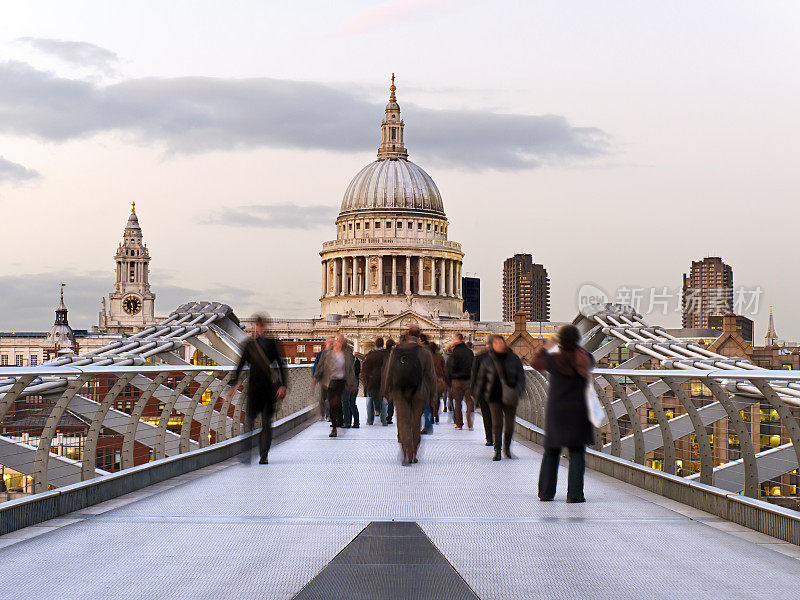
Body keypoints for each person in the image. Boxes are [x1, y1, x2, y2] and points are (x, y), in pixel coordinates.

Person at [532, 325, 595, 503]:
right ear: (577, 340)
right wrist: (577, 346)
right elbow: (589, 361)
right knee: (576, 452)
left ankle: (546, 492)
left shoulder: (554, 360)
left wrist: (547, 346)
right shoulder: (585, 358)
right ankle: (574, 495)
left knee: (551, 451)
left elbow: (535, 363)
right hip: (579, 409)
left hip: (557, 409)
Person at [226, 314, 287, 464]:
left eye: (261, 326)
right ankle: (247, 453)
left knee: (266, 423)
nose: (260, 329)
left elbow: (281, 364)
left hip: (268, 389)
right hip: (254, 389)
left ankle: (263, 455)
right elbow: (240, 364)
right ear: (255, 327)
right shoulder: (249, 344)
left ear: (265, 326)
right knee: (249, 422)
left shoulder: (271, 343)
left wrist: (283, 385)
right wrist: (233, 383)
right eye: (258, 326)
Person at [382, 326, 436, 464]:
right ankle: (414, 453)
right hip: (419, 392)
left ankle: (407, 452)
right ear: (419, 337)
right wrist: (434, 395)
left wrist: (386, 390)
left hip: (400, 391)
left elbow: (389, 372)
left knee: (403, 421)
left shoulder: (396, 351)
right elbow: (431, 376)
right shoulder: (424, 353)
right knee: (415, 422)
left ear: (406, 336)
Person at [474, 334, 525, 461]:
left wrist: (519, 390)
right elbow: (481, 379)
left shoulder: (514, 358)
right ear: (492, 345)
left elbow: (521, 376)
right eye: (496, 343)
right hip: (493, 395)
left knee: (509, 423)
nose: (499, 345)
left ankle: (507, 448)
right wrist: (477, 395)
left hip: (510, 394)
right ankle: (497, 450)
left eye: (501, 342)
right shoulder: (488, 360)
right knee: (497, 423)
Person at [314, 333, 357, 438]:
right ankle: (334, 427)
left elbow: (351, 370)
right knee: (332, 403)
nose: (339, 342)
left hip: (342, 381)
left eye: (341, 341)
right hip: (330, 381)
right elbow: (320, 366)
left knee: (337, 401)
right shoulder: (327, 353)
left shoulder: (347, 354)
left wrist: (353, 383)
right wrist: (315, 377)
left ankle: (338, 421)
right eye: (337, 340)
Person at [447, 333, 474, 430]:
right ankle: (470, 422)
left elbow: (451, 367)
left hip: (457, 380)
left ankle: (459, 423)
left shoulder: (455, 353)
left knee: (457, 403)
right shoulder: (469, 352)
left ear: (457, 339)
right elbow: (473, 366)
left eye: (453, 338)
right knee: (469, 402)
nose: (452, 340)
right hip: (468, 380)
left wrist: (450, 379)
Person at [471, 340, 493, 446]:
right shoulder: (502, 356)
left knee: (486, 414)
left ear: (485, 346)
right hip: (498, 391)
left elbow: (474, 376)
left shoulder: (479, 357)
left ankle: (489, 438)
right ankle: (497, 437)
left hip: (483, 390)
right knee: (496, 415)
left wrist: (473, 392)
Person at [362, 337, 388, 426]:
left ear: (375, 344)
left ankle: (370, 419)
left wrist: (365, 379)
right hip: (383, 380)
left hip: (372, 380)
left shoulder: (370, 354)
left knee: (370, 400)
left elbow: (365, 367)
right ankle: (384, 419)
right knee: (383, 400)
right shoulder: (385, 354)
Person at [312, 338, 333, 420]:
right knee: (322, 398)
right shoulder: (320, 354)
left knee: (329, 398)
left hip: (331, 379)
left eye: (332, 343)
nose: (331, 344)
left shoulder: (334, 354)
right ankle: (322, 414)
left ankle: (328, 415)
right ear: (326, 344)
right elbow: (316, 366)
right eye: (330, 343)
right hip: (322, 379)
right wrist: (315, 377)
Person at [342, 347, 361, 428]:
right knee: (353, 403)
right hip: (355, 384)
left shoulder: (344, 361)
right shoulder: (357, 360)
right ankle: (356, 422)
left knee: (345, 403)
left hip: (347, 384)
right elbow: (358, 372)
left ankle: (347, 422)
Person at [384, 338, 396, 424]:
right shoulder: (395, 355)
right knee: (391, 399)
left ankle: (381, 414)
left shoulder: (381, 354)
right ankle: (389, 416)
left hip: (383, 378)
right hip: (392, 379)